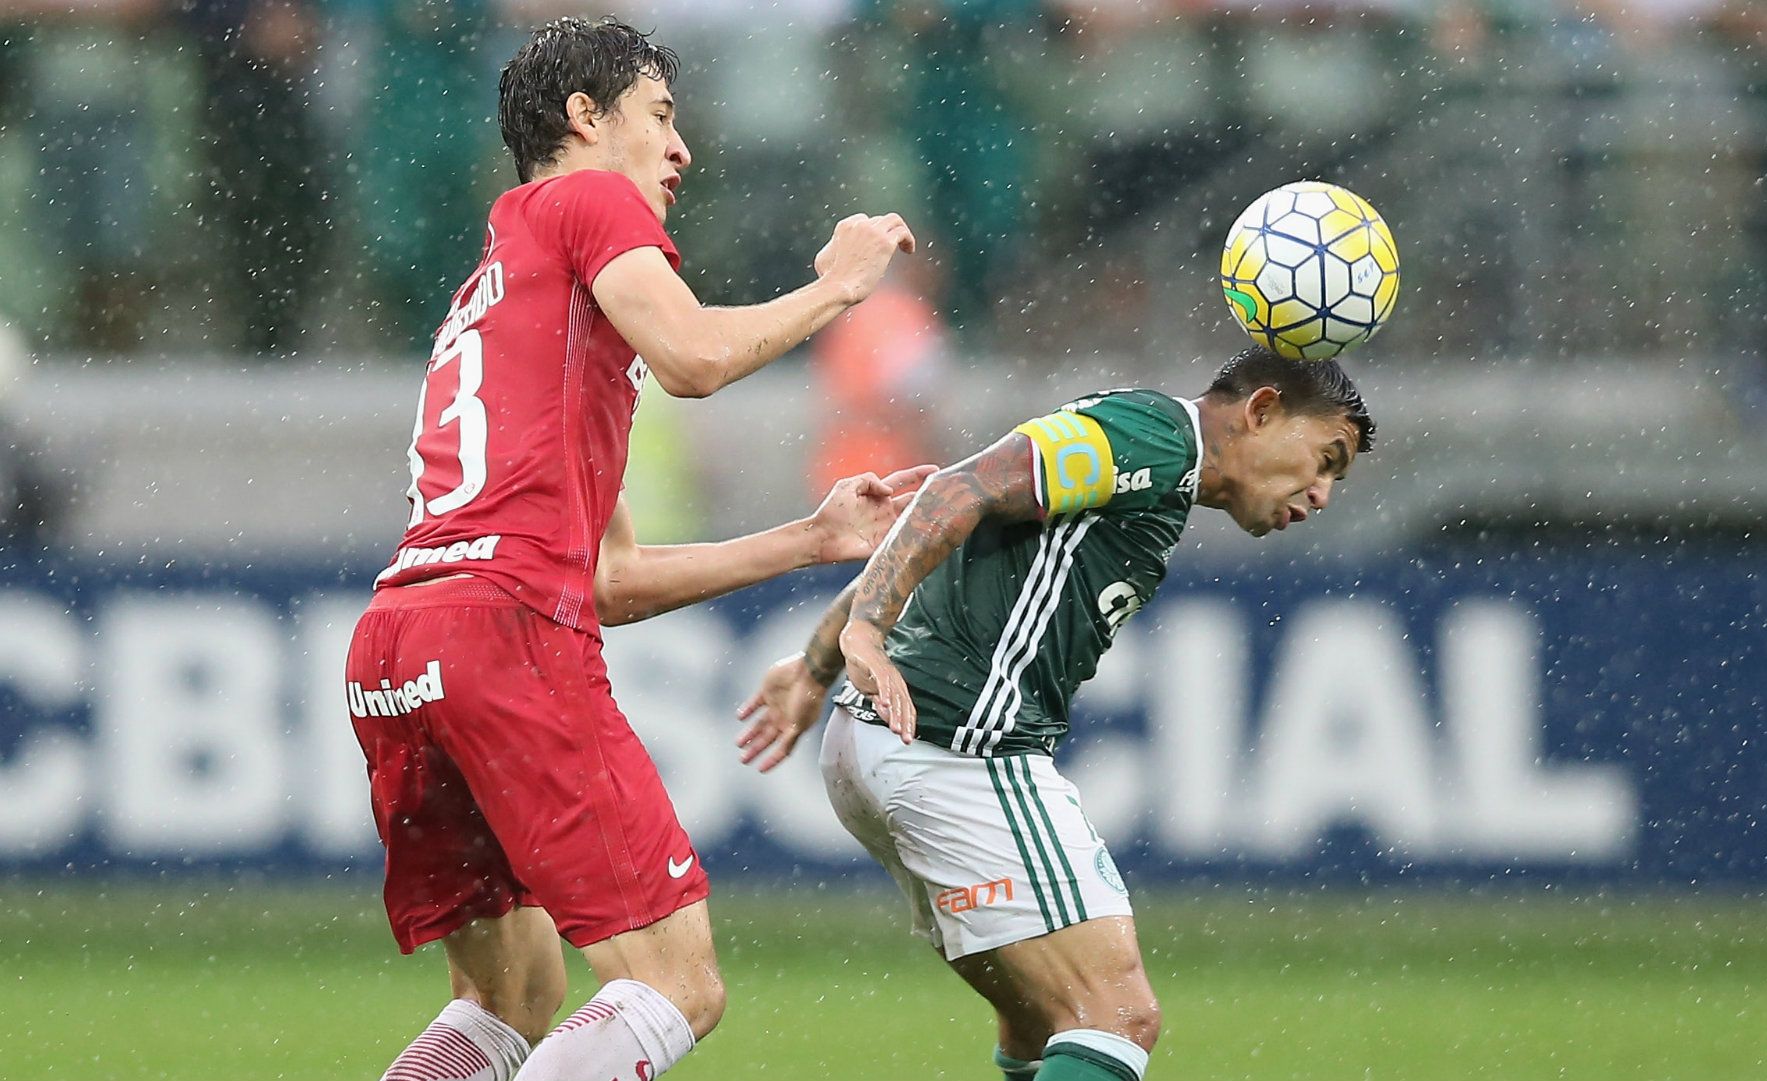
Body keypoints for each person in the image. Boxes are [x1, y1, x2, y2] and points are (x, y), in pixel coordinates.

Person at [345, 16, 919, 1081]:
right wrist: (840, 286)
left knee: (510, 994)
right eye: (660, 115)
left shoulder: (504, 278)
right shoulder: (587, 199)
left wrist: (811, 538)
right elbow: (696, 356)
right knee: (675, 984)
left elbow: (608, 580)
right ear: (584, 119)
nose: (681, 148)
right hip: (502, 628)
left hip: (402, 643)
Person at [738, 349, 1375, 1081]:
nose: (1322, 492)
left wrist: (816, 666)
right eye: (1325, 458)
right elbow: (957, 489)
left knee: (1043, 1020)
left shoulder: (1155, 472)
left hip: (885, 740)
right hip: (958, 750)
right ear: (1260, 411)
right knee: (1118, 1014)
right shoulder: (1157, 437)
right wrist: (863, 630)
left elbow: (960, 527)